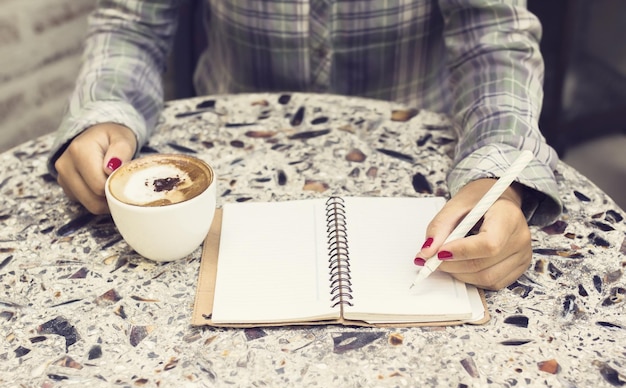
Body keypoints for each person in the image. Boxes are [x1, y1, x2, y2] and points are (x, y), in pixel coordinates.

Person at [48, 0, 562, 290]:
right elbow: (133, 22)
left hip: (417, 161)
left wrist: (497, 173)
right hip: (228, 154)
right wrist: (106, 111)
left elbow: (492, 36)